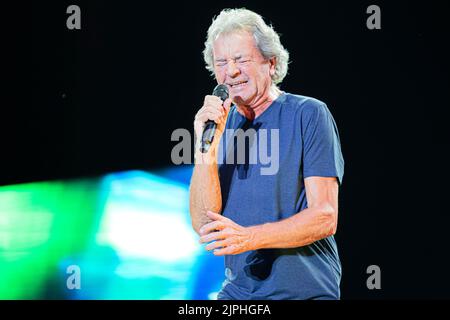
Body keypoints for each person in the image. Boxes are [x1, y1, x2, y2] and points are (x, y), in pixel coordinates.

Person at [189, 8, 344, 300]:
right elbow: (205, 225)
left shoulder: (308, 114)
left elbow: (325, 217)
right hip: (238, 293)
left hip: (304, 292)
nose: (230, 71)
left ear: (270, 63)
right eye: (221, 62)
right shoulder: (220, 127)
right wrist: (204, 150)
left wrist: (250, 237)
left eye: (241, 60)